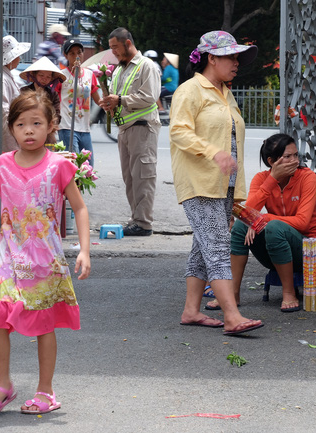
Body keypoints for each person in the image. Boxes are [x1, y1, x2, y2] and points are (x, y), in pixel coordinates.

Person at [0, 91, 91, 417]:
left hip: (45, 262)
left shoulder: (59, 165)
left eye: (36, 123)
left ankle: (46, 390)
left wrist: (85, 250)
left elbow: (80, 208)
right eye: (21, 124)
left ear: (51, 126)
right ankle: (3, 385)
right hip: (8, 263)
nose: (29, 130)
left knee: (44, 325)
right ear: (12, 128)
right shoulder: (1, 165)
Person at [169, 30, 263, 336]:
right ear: (212, 58)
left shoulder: (226, 93)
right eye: (231, 57)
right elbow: (179, 132)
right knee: (219, 247)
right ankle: (232, 315)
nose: (237, 63)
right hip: (199, 183)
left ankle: (191, 311)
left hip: (224, 186)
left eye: (238, 57)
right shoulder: (190, 91)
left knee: (203, 247)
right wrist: (213, 153)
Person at [223, 133, 316, 313]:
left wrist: (264, 219)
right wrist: (272, 180)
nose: (294, 161)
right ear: (272, 161)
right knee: (240, 227)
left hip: (309, 251)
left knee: (273, 226)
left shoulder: (306, 177)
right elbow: (247, 214)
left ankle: (289, 293)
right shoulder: (261, 179)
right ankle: (233, 293)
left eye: (295, 155)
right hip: (275, 250)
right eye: (287, 157)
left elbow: (302, 223)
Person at [101, 28, 161, 236]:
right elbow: (117, 96)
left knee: (143, 176)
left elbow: (150, 96)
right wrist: (109, 103)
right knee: (130, 177)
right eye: (111, 48)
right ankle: (136, 218)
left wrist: (121, 100)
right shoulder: (118, 69)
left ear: (127, 43)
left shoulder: (146, 66)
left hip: (142, 127)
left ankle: (144, 223)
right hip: (124, 128)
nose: (114, 52)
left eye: (115, 47)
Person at [58, 39, 101, 164]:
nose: (76, 56)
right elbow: (53, 99)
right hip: (67, 126)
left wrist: (110, 103)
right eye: (72, 53)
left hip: (84, 127)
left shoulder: (89, 74)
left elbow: (98, 99)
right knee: (74, 166)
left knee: (88, 166)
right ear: (65, 56)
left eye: (79, 52)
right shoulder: (61, 75)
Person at [2, 35, 31, 153]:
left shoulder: (8, 76)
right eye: (17, 56)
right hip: (10, 132)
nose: (19, 59)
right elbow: (4, 112)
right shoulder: (4, 79)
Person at [20, 56, 66, 125]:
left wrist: (50, 124)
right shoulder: (24, 91)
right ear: (34, 75)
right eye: (41, 75)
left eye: (48, 77)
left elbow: (57, 115)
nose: (44, 79)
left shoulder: (53, 94)